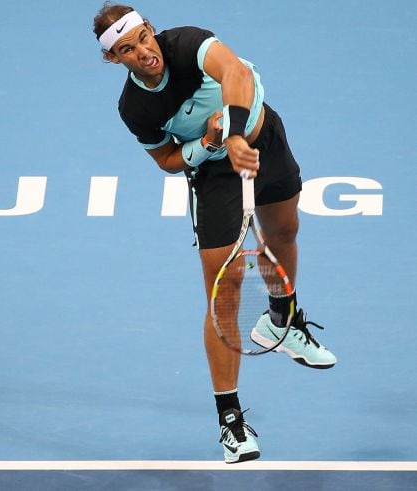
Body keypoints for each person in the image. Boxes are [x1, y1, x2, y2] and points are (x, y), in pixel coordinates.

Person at [92, 3, 336, 463]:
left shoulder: (187, 42)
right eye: (127, 49)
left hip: (263, 140)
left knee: (284, 231)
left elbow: (237, 76)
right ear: (114, 59)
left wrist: (238, 135)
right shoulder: (135, 107)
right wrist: (209, 144)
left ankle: (281, 323)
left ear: (151, 29)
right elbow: (166, 160)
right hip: (215, 176)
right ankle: (230, 420)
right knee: (225, 291)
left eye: (143, 37)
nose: (143, 52)